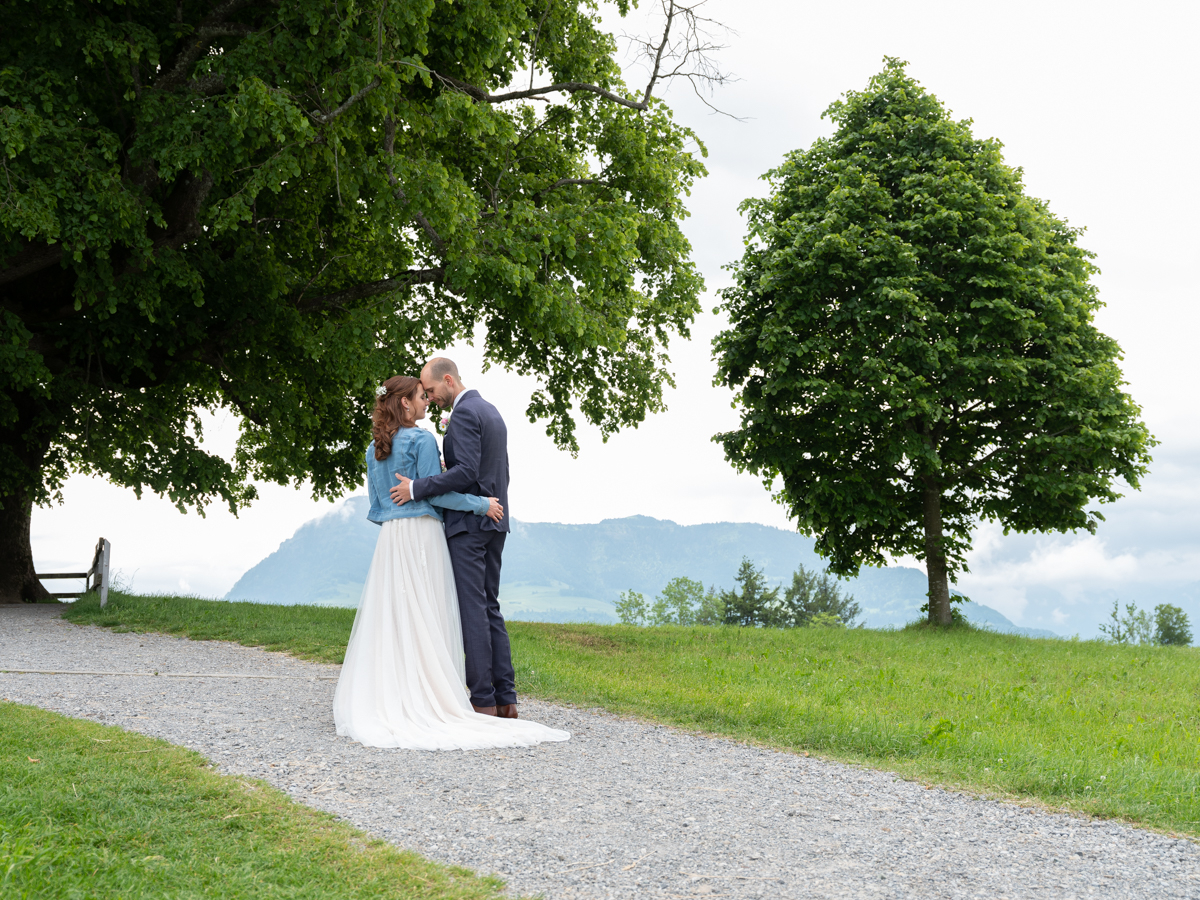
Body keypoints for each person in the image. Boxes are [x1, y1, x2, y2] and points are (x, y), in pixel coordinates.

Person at [332, 375, 569, 751]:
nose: (426, 400)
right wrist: (479, 503)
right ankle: (454, 696)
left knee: (399, 616)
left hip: (390, 541)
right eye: (420, 396)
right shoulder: (422, 438)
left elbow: (377, 506)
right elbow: (442, 495)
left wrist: (402, 509)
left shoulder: (371, 449)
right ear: (406, 404)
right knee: (438, 614)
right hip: (424, 535)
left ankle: (400, 693)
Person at [389, 358, 518, 717]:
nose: (430, 399)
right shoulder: (490, 411)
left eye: (430, 391)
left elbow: (465, 473)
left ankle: (482, 701)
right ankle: (506, 699)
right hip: (496, 522)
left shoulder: (462, 415)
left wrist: (417, 486)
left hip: (469, 525)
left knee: (473, 610)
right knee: (490, 606)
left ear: (448, 380)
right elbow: (499, 470)